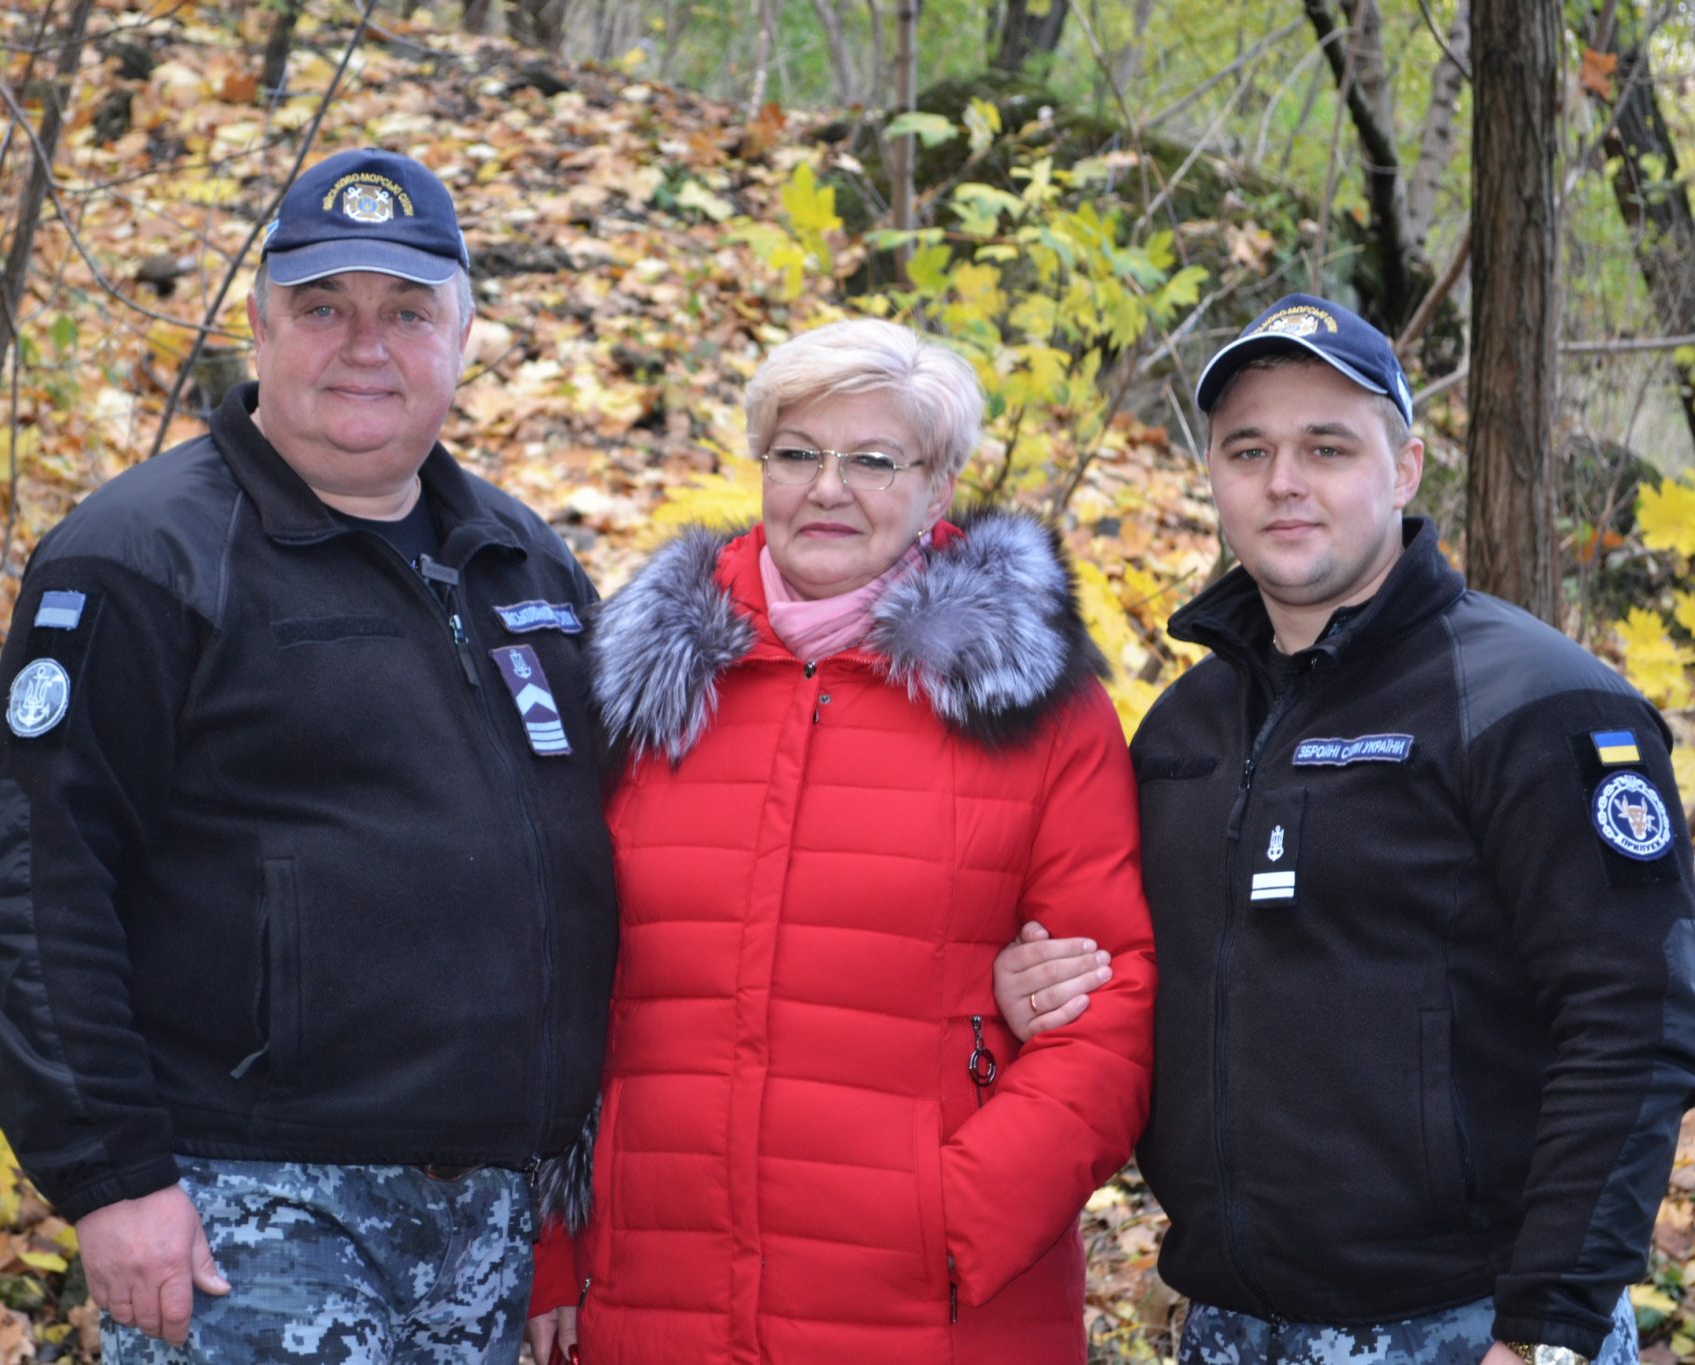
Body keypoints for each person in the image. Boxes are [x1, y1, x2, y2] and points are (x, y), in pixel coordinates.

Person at [0, 147, 617, 1363]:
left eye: (406, 312)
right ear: (258, 328)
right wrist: (112, 1178)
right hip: (245, 1208)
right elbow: (33, 883)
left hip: (490, 1214)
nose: (365, 346)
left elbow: (609, 861)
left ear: (461, 340)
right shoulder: (142, 556)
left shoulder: (523, 566)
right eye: (322, 308)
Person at [995, 293, 1695, 1365]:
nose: (1283, 481)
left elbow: (1634, 1021)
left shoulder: (1536, 703)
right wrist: (1035, 983)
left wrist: (1547, 1329)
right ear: (1213, 475)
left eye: (1326, 447)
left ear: (1404, 468)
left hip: (1476, 1325)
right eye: (1249, 450)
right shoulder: (1182, 728)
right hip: (1230, 1326)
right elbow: (1137, 974)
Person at [523, 318, 1158, 1364]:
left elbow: (1110, 1002)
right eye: (797, 453)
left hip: (930, 1315)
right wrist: (553, 1244)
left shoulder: (1031, 701)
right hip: (655, 1294)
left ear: (938, 485)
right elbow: (553, 974)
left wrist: (953, 1214)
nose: (827, 488)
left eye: (873, 460)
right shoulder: (634, 685)